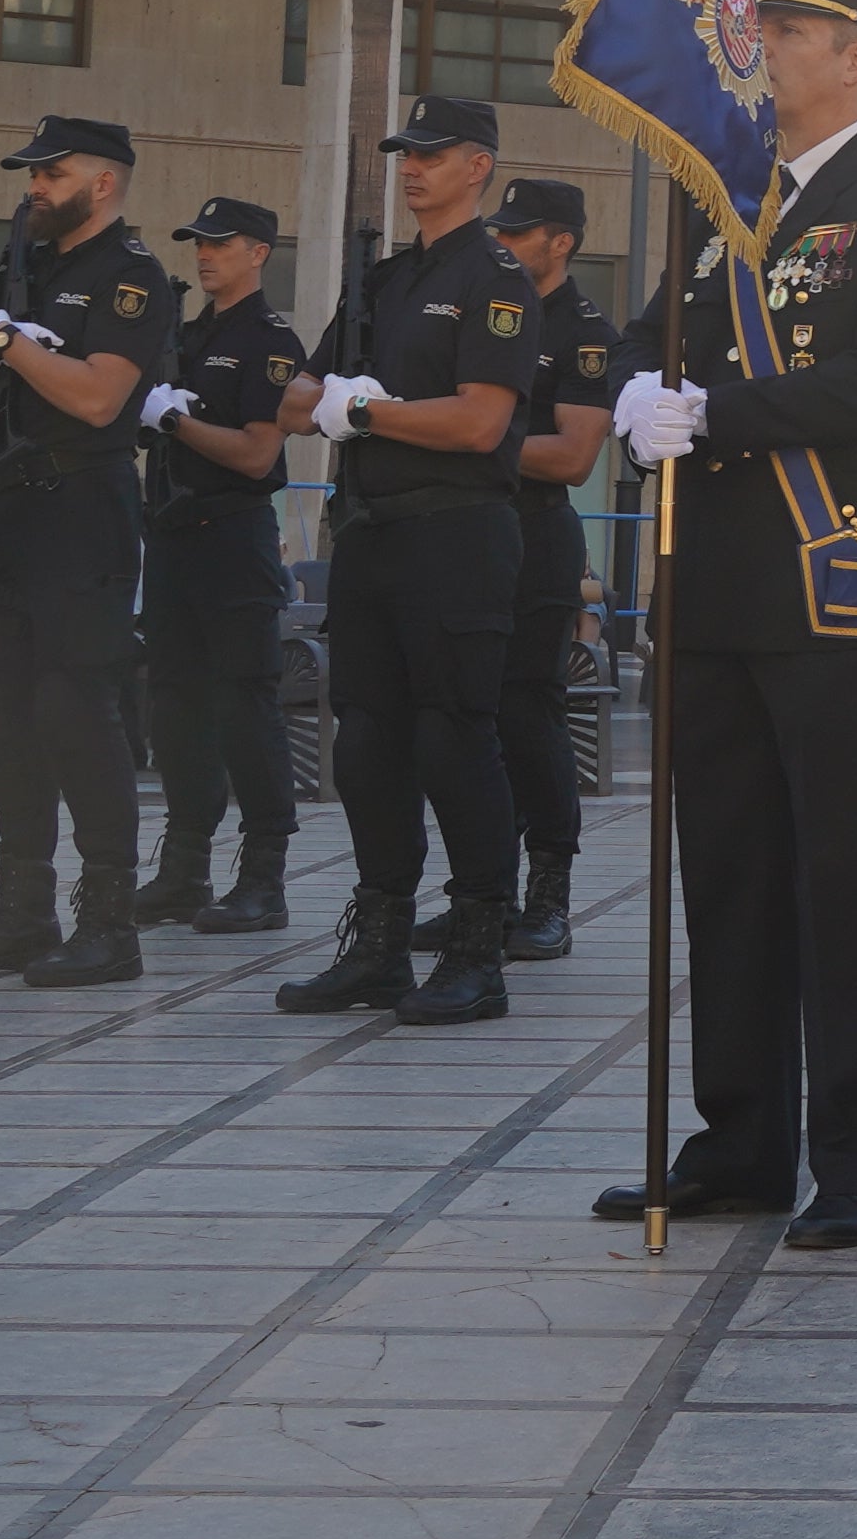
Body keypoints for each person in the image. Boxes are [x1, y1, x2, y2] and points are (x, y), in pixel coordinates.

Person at [600, 0, 857, 1248]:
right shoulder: (727, 201)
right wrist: (634, 395)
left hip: (832, 585)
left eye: (786, 30)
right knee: (730, 877)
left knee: (849, 885)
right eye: (756, 25)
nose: (755, 45)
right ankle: (741, 1140)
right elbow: (650, 338)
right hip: (712, 587)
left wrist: (715, 412)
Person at [279, 93, 546, 1030]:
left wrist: (363, 410)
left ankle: (477, 948)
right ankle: (380, 944)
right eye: (407, 155)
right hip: (371, 533)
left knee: (455, 741)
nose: (413, 169)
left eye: (432, 154)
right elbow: (294, 398)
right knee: (367, 746)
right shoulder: (383, 281)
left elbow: (480, 422)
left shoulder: (495, 279)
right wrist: (334, 399)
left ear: (479, 166)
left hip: (456, 535)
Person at [0, 115, 179, 988]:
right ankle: (24, 910)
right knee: (0, 702)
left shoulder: (130, 275)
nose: (34, 187)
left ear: (102, 183)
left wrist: (9, 346)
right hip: (13, 506)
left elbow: (100, 399)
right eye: (32, 173)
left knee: (74, 707)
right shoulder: (23, 265)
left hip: (83, 507)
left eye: (51, 173)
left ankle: (109, 922)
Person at [138, 198, 302, 928]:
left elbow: (258, 453)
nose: (204, 254)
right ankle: (184, 870)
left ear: (258, 251)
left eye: (220, 243)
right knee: (176, 707)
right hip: (173, 540)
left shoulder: (270, 340)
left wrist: (175, 420)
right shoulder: (185, 333)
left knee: (245, 707)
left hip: (234, 538)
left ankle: (264, 877)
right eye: (199, 243)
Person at [487, 177, 617, 958]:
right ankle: (484, 892)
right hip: (468, 531)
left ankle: (548, 893)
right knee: (470, 720)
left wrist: (469, 436)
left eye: (517, 233)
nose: (501, 244)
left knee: (528, 717)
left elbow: (572, 457)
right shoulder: (485, 311)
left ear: (560, 242)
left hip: (535, 534)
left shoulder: (581, 329)